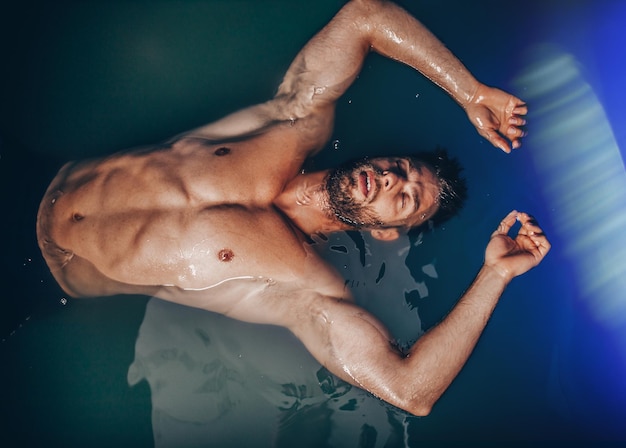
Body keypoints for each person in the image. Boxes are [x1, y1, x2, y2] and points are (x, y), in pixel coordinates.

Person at [36, 0, 549, 416]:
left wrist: (494, 276)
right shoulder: (293, 123)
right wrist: (468, 91)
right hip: (40, 181)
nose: (393, 178)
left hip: (40, 275)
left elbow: (411, 391)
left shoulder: (306, 291)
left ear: (389, 232)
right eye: (400, 167)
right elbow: (364, 17)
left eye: (405, 198)